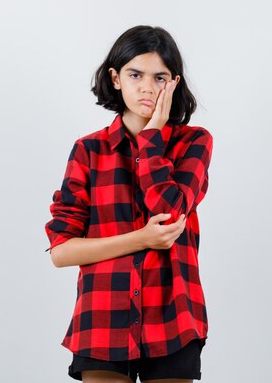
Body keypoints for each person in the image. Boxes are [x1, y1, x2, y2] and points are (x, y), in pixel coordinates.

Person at [44, 25, 213, 383]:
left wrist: (152, 135)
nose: (147, 87)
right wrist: (142, 239)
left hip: (173, 316)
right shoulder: (88, 151)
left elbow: (168, 212)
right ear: (116, 78)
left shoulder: (193, 143)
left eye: (160, 77)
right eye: (135, 74)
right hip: (103, 316)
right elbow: (61, 251)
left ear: (174, 84)